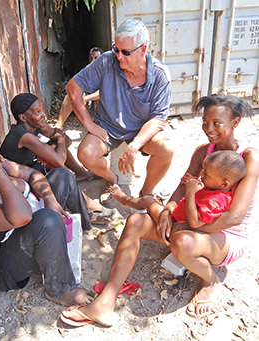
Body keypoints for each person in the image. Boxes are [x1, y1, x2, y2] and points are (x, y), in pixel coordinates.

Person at [60, 95, 259, 326]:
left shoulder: (248, 157)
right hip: (193, 222)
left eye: (217, 123)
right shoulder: (202, 151)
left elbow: (235, 217)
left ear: (235, 122)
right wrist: (167, 213)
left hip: (225, 235)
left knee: (182, 241)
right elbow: (181, 190)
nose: (208, 129)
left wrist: (187, 226)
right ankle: (105, 302)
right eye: (205, 122)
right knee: (135, 221)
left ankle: (212, 279)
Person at [0, 117, 94, 306]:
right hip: (1, 262)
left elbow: (32, 174)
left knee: (62, 176)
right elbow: (22, 217)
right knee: (47, 221)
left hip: (24, 223)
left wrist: (50, 199)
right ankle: (60, 290)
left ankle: (86, 222)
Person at [65, 19, 174, 207]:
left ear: (143, 50)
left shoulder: (159, 74)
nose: (119, 56)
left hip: (142, 130)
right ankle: (112, 180)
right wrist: (89, 124)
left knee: (166, 148)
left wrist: (135, 145)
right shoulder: (107, 61)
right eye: (116, 49)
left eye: (126, 52)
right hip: (108, 127)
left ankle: (146, 193)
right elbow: (73, 88)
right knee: (85, 153)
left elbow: (158, 119)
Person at [0, 93, 110, 225]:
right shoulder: (22, 135)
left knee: (56, 149)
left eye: (42, 110)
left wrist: (56, 144)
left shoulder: (36, 124)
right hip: (19, 182)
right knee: (58, 162)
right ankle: (86, 205)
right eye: (37, 112)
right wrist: (59, 141)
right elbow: (59, 157)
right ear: (23, 117)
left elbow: (65, 140)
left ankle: (81, 175)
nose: (43, 115)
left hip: (30, 168)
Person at [109, 150, 246, 231]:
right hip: (176, 218)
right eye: (203, 171)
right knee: (150, 203)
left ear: (224, 183)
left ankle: (124, 200)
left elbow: (195, 222)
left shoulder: (218, 200)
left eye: (206, 174)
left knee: (147, 199)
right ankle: (135, 205)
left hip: (174, 225)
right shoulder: (215, 189)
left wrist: (190, 191)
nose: (202, 176)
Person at [55, 46, 104, 129]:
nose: (93, 61)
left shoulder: (106, 71)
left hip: (99, 102)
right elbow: (74, 85)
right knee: (71, 96)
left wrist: (86, 98)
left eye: (96, 58)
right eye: (91, 58)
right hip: (88, 102)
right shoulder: (87, 70)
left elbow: (104, 92)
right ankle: (58, 126)